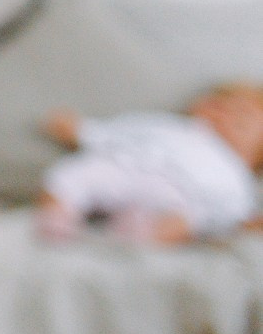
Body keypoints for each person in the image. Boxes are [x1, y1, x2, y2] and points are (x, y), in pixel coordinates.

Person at [37, 83, 263, 244]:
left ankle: (139, 235)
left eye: (241, 119)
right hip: (129, 168)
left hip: (180, 197)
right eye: (220, 104)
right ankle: (59, 216)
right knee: (70, 175)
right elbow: (123, 133)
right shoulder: (171, 126)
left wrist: (247, 223)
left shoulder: (236, 175)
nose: (225, 114)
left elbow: (235, 212)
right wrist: (81, 131)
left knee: (186, 222)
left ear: (253, 158)